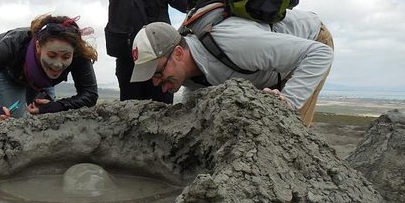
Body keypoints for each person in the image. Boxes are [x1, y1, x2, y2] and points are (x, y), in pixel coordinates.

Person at [129, 10, 334, 126]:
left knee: (288, 127)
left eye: (157, 73)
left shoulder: (235, 43)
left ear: (178, 54)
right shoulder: (190, 78)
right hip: (265, 68)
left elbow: (318, 54)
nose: (156, 83)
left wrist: (288, 102)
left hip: (311, 42)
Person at [0, 14, 99, 123]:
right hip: (6, 73)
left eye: (66, 57)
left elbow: (90, 94)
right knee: (16, 120)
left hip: (41, 79)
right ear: (39, 47)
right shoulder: (12, 45)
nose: (58, 64)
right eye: (52, 55)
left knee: (48, 117)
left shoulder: (79, 52)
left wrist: (58, 106)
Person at [107, 0, 188, 104]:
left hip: (126, 58)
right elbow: (188, 4)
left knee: (129, 114)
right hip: (158, 60)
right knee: (161, 115)